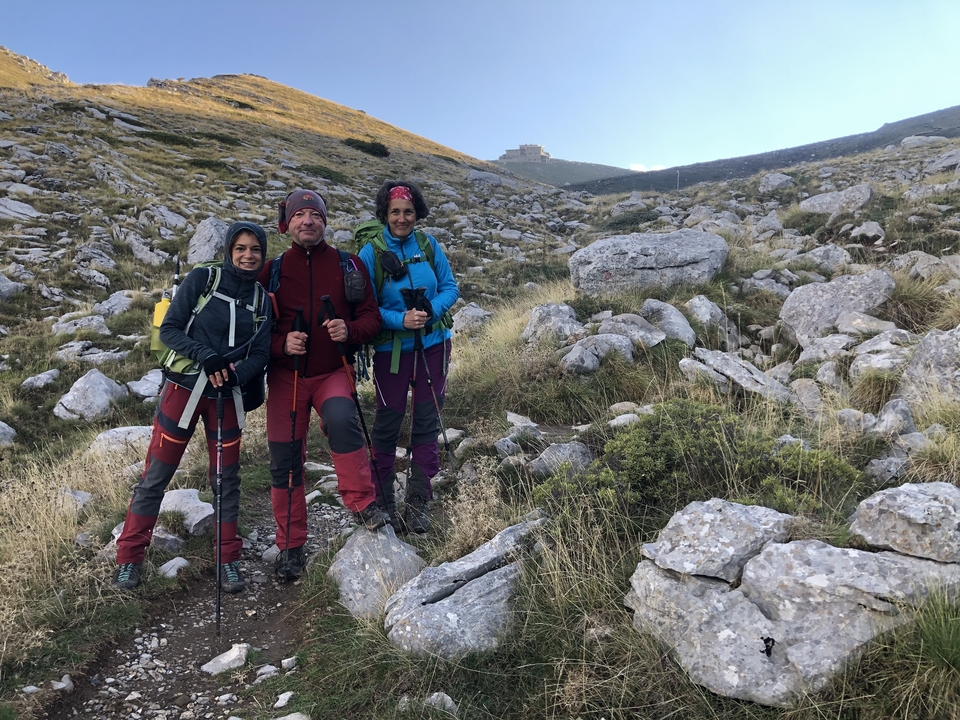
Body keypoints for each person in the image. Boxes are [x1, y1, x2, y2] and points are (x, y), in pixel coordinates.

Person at [113, 221, 271, 592]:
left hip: (226, 398)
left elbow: (262, 352)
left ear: (263, 255)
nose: (248, 256)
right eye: (241, 249)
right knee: (155, 477)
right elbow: (170, 329)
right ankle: (129, 558)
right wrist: (208, 358)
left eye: (255, 250)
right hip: (183, 391)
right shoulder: (203, 279)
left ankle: (227, 559)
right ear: (229, 251)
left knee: (226, 480)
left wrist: (235, 376)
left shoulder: (263, 299)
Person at [260, 188, 389, 582]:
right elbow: (251, 332)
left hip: (334, 370)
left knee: (342, 418)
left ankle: (363, 504)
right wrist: (279, 344)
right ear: (288, 224)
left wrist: (349, 330)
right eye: (299, 215)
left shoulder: (349, 265)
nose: (308, 221)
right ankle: (291, 545)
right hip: (288, 377)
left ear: (324, 220)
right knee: (285, 459)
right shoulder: (272, 271)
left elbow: (372, 318)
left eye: (314, 215)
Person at [358, 181, 460, 533]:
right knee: (387, 422)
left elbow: (451, 287)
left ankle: (419, 499)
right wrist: (399, 319)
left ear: (417, 213)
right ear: (384, 214)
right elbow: (366, 308)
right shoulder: (370, 253)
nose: (402, 218)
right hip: (392, 351)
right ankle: (383, 499)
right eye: (395, 212)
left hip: (434, 344)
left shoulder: (429, 245)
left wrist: (431, 310)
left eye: (408, 212)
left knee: (427, 420)